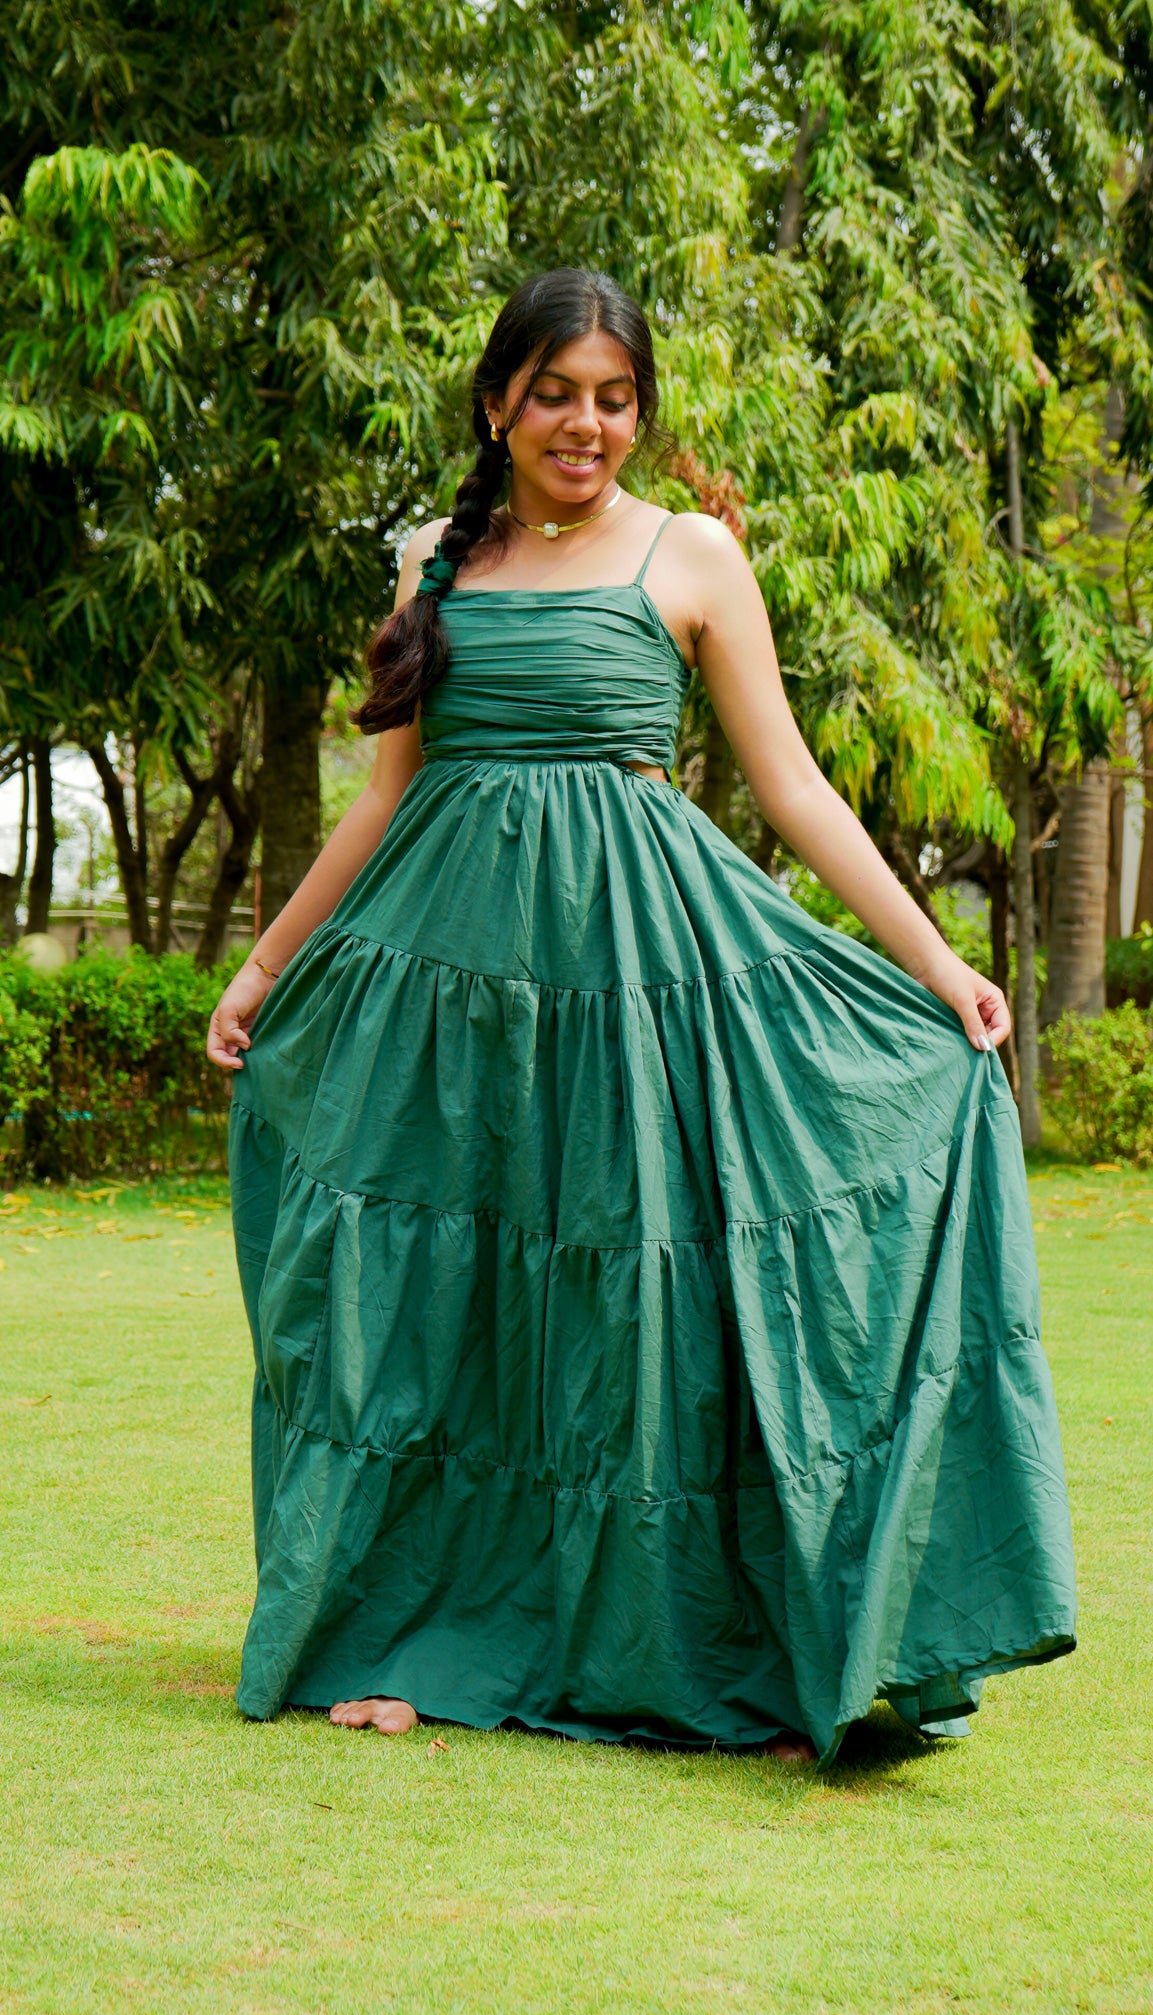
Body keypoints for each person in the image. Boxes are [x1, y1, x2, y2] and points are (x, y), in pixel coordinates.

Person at [208, 267, 1076, 1767]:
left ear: (638, 413)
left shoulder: (691, 556)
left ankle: (669, 1630)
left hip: (635, 981)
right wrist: (267, 965)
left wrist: (937, 965)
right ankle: (410, 1631)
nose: (585, 425)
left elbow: (792, 788)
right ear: (499, 403)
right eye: (555, 394)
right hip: (451, 1003)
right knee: (446, 1313)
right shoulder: (433, 556)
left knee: (633, 1303)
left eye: (613, 398)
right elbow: (385, 798)